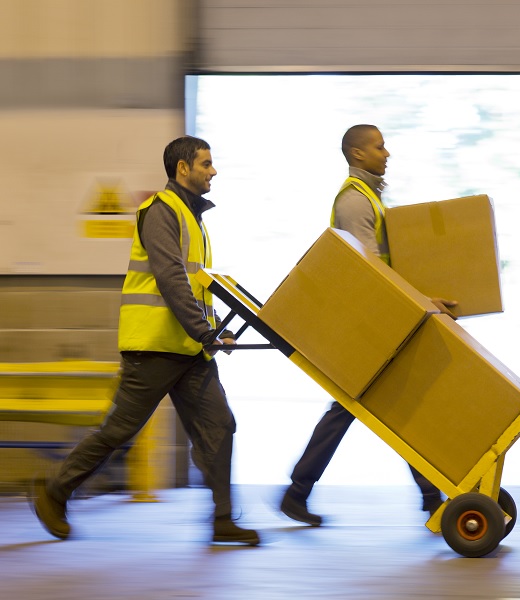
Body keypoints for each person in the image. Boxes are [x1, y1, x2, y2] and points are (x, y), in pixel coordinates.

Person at [31, 136, 260, 546]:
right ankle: (54, 491)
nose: (214, 171)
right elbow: (171, 280)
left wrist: (213, 328)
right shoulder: (160, 212)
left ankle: (223, 518)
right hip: (153, 348)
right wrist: (203, 330)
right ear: (183, 169)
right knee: (118, 431)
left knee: (220, 426)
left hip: (190, 350)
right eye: (206, 164)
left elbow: (196, 285)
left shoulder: (194, 218)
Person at [279, 124, 457, 526]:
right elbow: (371, 270)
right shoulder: (355, 203)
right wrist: (423, 302)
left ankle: (300, 492)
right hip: (368, 327)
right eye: (379, 146)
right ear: (358, 154)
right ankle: (431, 497)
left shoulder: (370, 198)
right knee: (374, 408)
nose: (386, 152)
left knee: (366, 408)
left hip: (376, 323)